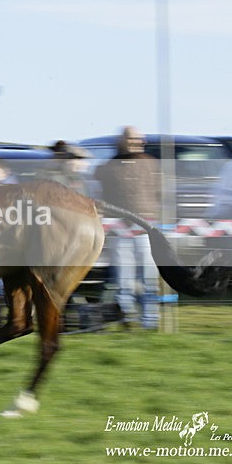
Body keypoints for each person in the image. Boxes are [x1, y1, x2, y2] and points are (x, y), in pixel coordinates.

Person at [94, 126, 162, 330]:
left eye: (140, 139)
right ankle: (127, 319)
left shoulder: (152, 164)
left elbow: (161, 194)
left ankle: (150, 320)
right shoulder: (108, 167)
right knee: (123, 279)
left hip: (146, 229)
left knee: (149, 278)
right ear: (121, 140)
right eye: (132, 138)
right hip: (119, 230)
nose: (137, 142)